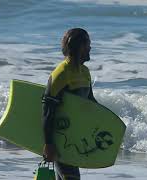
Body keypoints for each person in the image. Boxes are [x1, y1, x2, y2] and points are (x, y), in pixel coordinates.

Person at [41, 28, 98, 180]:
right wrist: (49, 144)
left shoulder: (85, 72)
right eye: (88, 44)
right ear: (80, 46)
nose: (90, 48)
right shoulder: (60, 74)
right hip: (60, 139)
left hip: (75, 140)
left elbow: (91, 103)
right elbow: (47, 111)